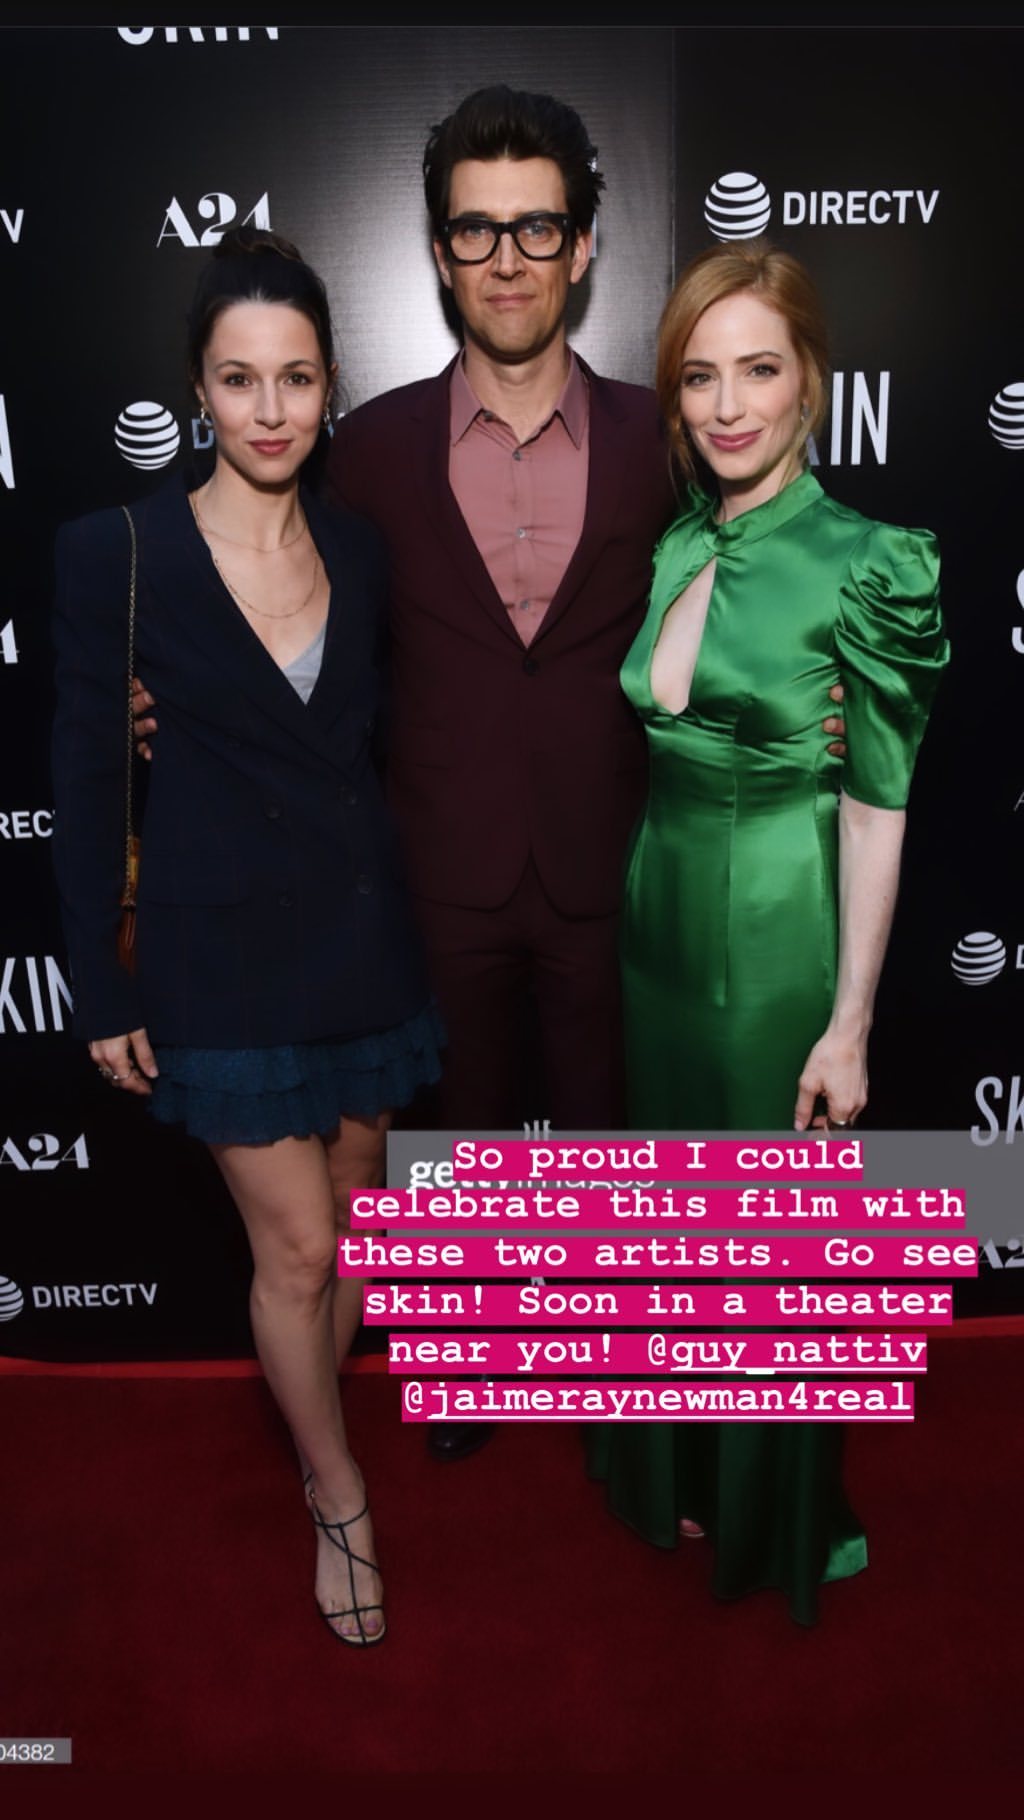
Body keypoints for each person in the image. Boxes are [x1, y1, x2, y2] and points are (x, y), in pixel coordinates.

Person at [133, 85, 845, 1464]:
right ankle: (472, 1364)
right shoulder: (364, 450)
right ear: (439, 251)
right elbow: (265, 588)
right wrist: (167, 690)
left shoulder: (662, 436)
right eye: (475, 230)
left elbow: (758, 565)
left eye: (536, 228)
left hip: (616, 854)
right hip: (427, 862)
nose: (507, 259)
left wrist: (822, 684)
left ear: (584, 246)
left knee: (605, 1138)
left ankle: (610, 1384)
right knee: (450, 1140)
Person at [50, 228, 443, 1646]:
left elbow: (372, 744)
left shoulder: (362, 550)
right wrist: (102, 986)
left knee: (354, 1239)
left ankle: (313, 1426)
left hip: (363, 944)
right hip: (219, 963)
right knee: (297, 1252)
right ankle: (339, 1493)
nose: (269, 410)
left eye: (295, 378)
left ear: (329, 385)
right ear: (197, 390)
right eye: (238, 379)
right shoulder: (120, 554)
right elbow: (86, 778)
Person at [586, 241, 949, 1624]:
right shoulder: (684, 538)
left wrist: (849, 1022)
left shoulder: (868, 563)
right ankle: (681, 1466)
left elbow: (875, 810)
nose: (728, 405)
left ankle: (767, 1511)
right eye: (700, 376)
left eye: (758, 370)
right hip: (660, 931)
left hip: (777, 932)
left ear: (811, 382)